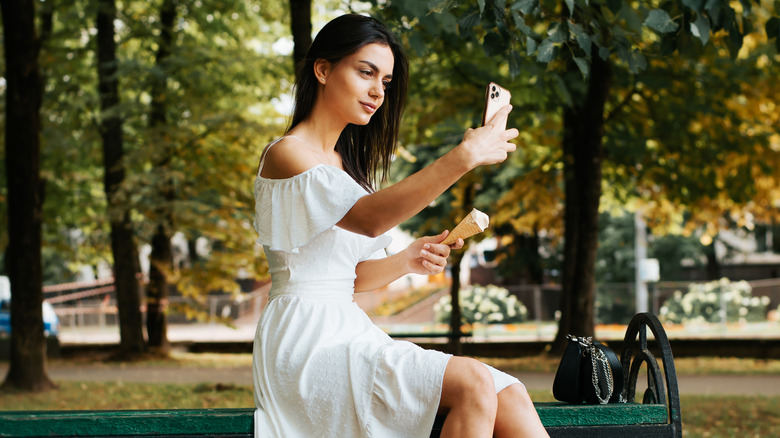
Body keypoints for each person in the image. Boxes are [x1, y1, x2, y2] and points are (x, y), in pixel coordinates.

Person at [251, 13, 549, 438]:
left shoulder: (346, 170)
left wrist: (408, 259)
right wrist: (463, 157)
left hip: (349, 329)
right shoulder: (287, 154)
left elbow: (349, 278)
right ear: (322, 69)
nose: (377, 91)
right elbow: (372, 220)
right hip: (306, 344)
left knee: (508, 393)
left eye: (386, 82)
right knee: (473, 382)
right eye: (366, 72)